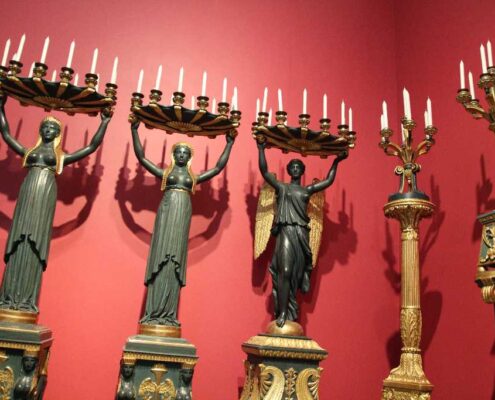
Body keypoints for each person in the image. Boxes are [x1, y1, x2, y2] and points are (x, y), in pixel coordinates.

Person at [0, 96, 112, 313]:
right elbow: (6, 134)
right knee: (19, 240)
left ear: (58, 134)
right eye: (46, 127)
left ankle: (26, 298)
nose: (49, 130)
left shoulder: (59, 156)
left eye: (53, 128)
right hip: (28, 193)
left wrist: (104, 122)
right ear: (41, 131)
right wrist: (1, 106)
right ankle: (8, 296)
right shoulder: (30, 152)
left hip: (45, 196)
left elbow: (91, 147)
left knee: (36, 240)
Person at [131, 119, 235, 326]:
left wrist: (229, 144)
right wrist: (134, 130)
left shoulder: (192, 178)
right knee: (162, 255)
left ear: (189, 158)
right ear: (173, 155)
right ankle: (153, 312)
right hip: (167, 212)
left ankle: (168, 313)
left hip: (182, 216)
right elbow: (142, 158)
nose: (181, 155)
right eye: (178, 152)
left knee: (175, 258)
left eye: (185, 153)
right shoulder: (167, 174)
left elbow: (217, 168)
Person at [257, 139, 347, 327]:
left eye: (299, 167)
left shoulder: (308, 190)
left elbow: (328, 181)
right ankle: (282, 312)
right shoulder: (282, 187)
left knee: (295, 275)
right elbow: (265, 172)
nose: (296, 169)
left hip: (301, 234)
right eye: (293, 166)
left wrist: (336, 161)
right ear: (289, 170)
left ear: (302, 171)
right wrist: (261, 149)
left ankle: (289, 311)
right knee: (285, 271)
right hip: (285, 231)